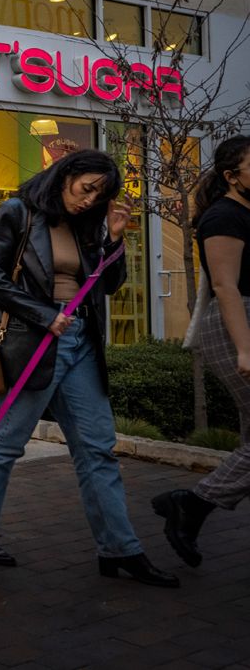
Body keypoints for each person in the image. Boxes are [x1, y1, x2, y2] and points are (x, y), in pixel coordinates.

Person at [0, 148, 177, 587]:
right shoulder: (17, 212)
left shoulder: (88, 224)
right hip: (35, 340)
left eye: (99, 195)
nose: (90, 200)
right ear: (66, 176)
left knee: (98, 449)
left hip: (80, 340)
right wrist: (43, 315)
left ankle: (120, 549)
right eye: (86, 189)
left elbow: (109, 285)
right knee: (5, 440)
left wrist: (115, 239)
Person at [154, 135, 250, 567]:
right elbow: (226, 286)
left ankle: (189, 510)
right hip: (237, 327)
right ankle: (190, 503)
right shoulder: (222, 217)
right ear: (232, 176)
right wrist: (245, 349)